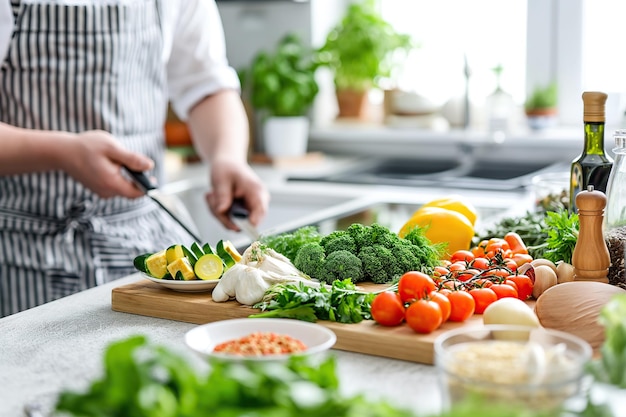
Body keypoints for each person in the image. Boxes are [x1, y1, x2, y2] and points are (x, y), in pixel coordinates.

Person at [0, 0, 270, 317]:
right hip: (26, 249)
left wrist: (228, 157)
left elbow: (207, 85)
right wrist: (64, 152)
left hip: (149, 242)